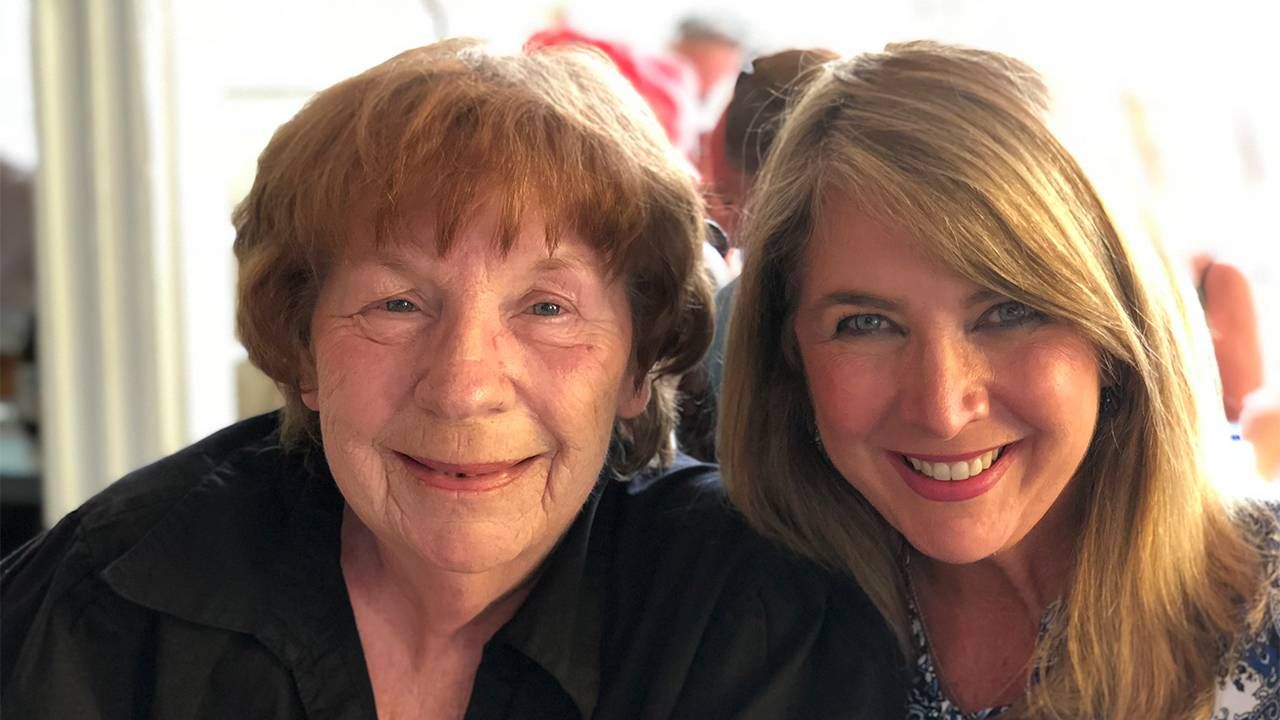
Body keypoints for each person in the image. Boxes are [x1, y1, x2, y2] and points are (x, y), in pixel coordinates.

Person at [0, 39, 904, 718]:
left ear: (639, 361)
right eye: (396, 303)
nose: (465, 386)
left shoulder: (752, 615)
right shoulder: (112, 594)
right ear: (304, 346)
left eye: (547, 308)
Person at [719, 41, 1280, 718]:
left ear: (1118, 331)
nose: (942, 408)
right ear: (789, 356)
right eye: (866, 324)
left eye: (1010, 312)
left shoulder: (1264, 604)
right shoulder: (731, 623)